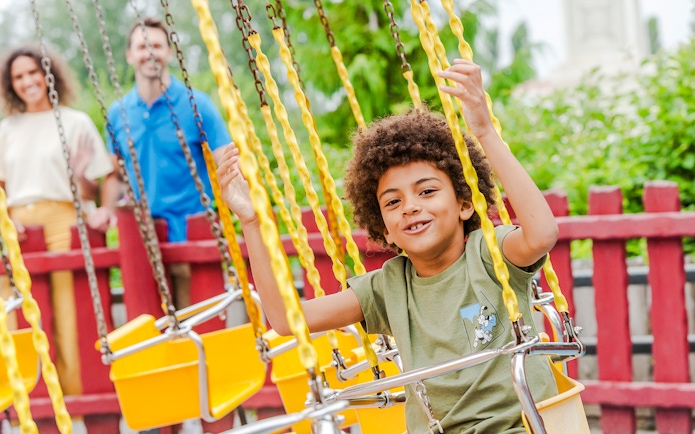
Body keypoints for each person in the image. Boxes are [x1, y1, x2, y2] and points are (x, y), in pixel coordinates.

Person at [216, 59, 560, 433]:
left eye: (427, 191)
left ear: (464, 203)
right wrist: (252, 221)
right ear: (387, 231)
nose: (410, 206)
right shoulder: (389, 287)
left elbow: (541, 234)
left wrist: (485, 132)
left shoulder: (490, 253)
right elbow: (286, 320)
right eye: (393, 202)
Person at [0, 45, 116, 397]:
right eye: (19, 76)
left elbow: (105, 178)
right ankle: (36, 403)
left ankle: (79, 398)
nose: (27, 81)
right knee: (25, 317)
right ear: (11, 84)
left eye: (33, 72)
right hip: (20, 227)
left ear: (48, 74)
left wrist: (106, 208)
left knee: (70, 316)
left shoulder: (74, 121)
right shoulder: (6, 128)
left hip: (64, 221)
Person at [93, 16, 231, 309]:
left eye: (156, 45)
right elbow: (115, 176)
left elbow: (227, 162)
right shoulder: (118, 113)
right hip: (142, 243)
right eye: (142, 46)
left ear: (169, 51)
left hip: (191, 235)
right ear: (130, 55)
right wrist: (105, 209)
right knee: (153, 330)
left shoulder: (197, 103)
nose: (150, 53)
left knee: (200, 323)